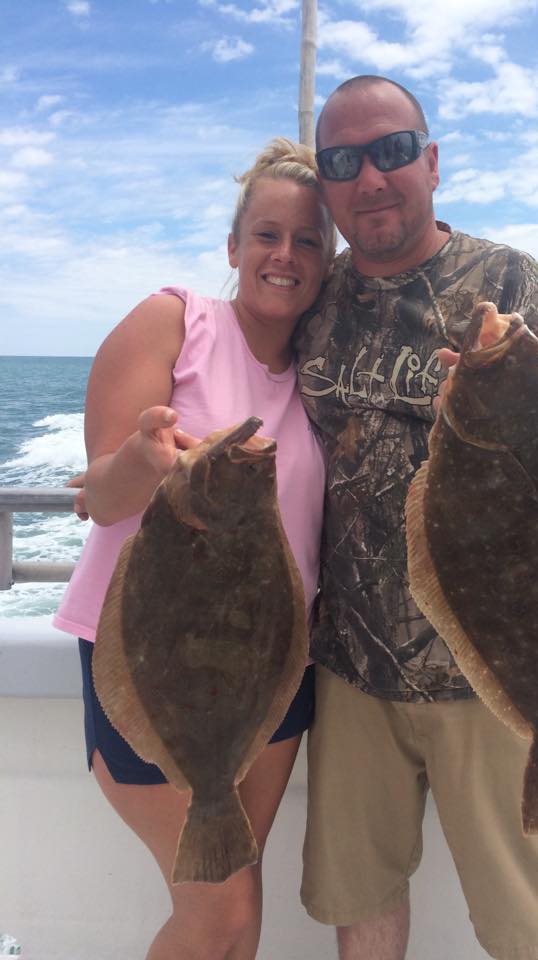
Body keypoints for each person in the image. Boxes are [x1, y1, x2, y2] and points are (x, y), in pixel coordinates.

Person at [293, 75, 538, 960]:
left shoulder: (516, 289)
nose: (372, 178)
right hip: (350, 668)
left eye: (392, 151)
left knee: (531, 927)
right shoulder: (315, 300)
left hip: (496, 674)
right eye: (344, 161)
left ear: (431, 161)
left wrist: (504, 385)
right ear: (327, 185)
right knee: (362, 903)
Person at [53, 138, 334, 960]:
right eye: (267, 235)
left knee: (239, 913)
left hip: (275, 667)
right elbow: (100, 501)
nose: (285, 255)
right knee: (222, 913)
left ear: (327, 260)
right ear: (234, 247)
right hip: (153, 655)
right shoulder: (174, 321)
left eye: (309, 240)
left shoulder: (322, 371)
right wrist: (145, 459)